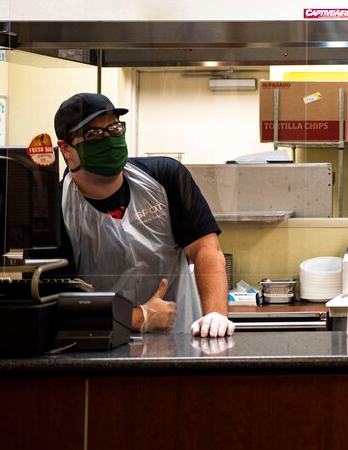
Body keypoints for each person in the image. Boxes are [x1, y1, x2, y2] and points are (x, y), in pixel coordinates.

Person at [54, 92, 234, 338]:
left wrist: (216, 316)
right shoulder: (57, 207)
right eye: (94, 134)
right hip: (100, 345)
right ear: (66, 149)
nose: (110, 139)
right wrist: (138, 317)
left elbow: (206, 250)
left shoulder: (165, 178)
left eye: (115, 128)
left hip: (182, 341)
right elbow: (56, 301)